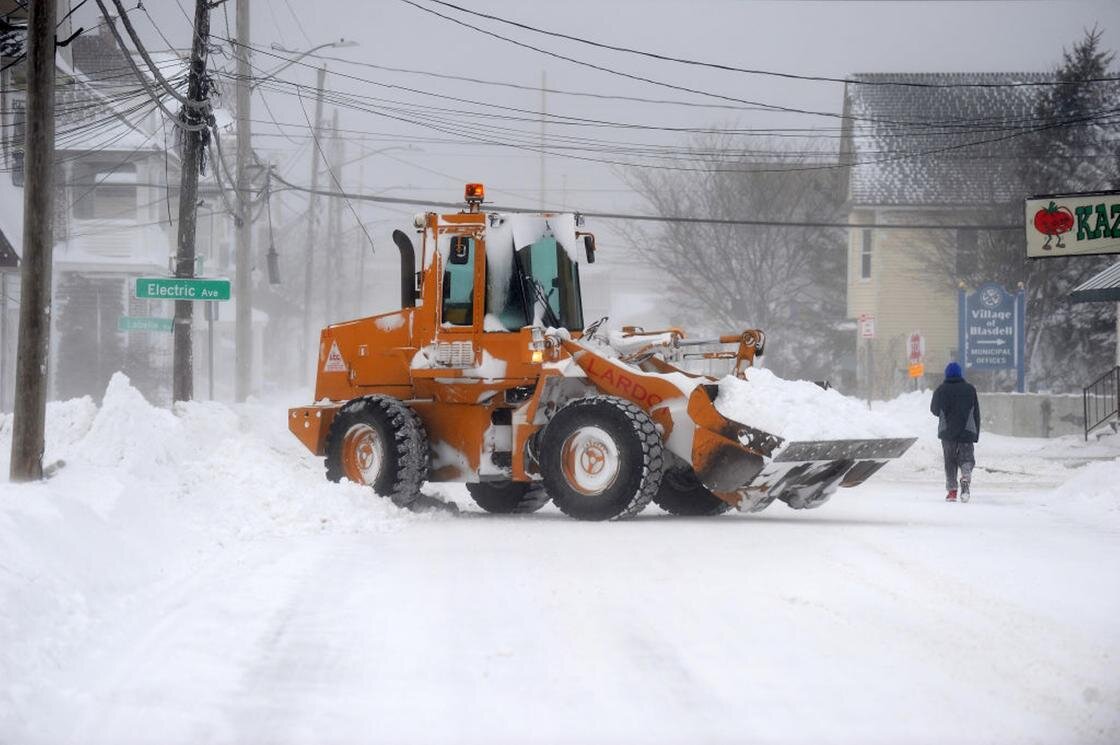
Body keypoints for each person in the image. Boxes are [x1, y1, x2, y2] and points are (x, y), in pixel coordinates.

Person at [930, 362, 980, 502]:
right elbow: (976, 412)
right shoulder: (970, 389)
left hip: (947, 432)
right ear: (960, 374)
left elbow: (934, 410)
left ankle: (952, 491)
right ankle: (965, 476)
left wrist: (945, 413)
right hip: (966, 431)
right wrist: (975, 434)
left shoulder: (941, 390)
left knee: (950, 461)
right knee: (967, 458)